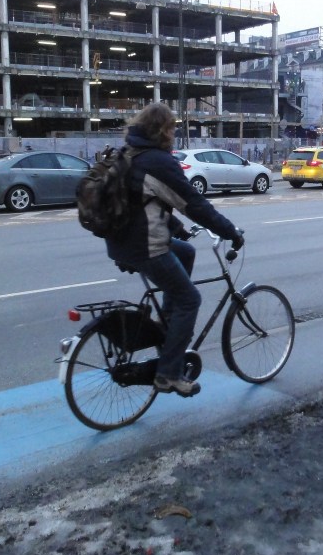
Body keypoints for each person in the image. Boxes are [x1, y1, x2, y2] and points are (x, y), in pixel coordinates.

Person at [104, 103, 243, 397]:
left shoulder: (129, 153)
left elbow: (145, 202)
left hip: (120, 241)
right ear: (162, 130)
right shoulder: (157, 160)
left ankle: (167, 329)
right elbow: (194, 204)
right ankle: (168, 374)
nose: (175, 132)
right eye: (172, 127)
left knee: (186, 253)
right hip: (144, 246)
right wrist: (229, 232)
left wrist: (177, 229)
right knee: (190, 300)